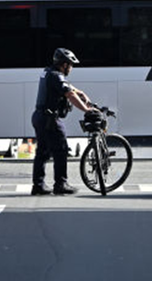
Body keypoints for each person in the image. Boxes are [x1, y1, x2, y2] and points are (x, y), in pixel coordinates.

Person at [31, 47, 93, 196]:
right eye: (70, 65)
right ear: (64, 64)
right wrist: (86, 109)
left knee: (42, 152)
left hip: (39, 116)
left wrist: (81, 93)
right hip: (50, 119)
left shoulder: (48, 72)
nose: (71, 68)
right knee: (61, 150)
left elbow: (68, 87)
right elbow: (69, 93)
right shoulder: (56, 75)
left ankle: (38, 185)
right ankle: (61, 184)